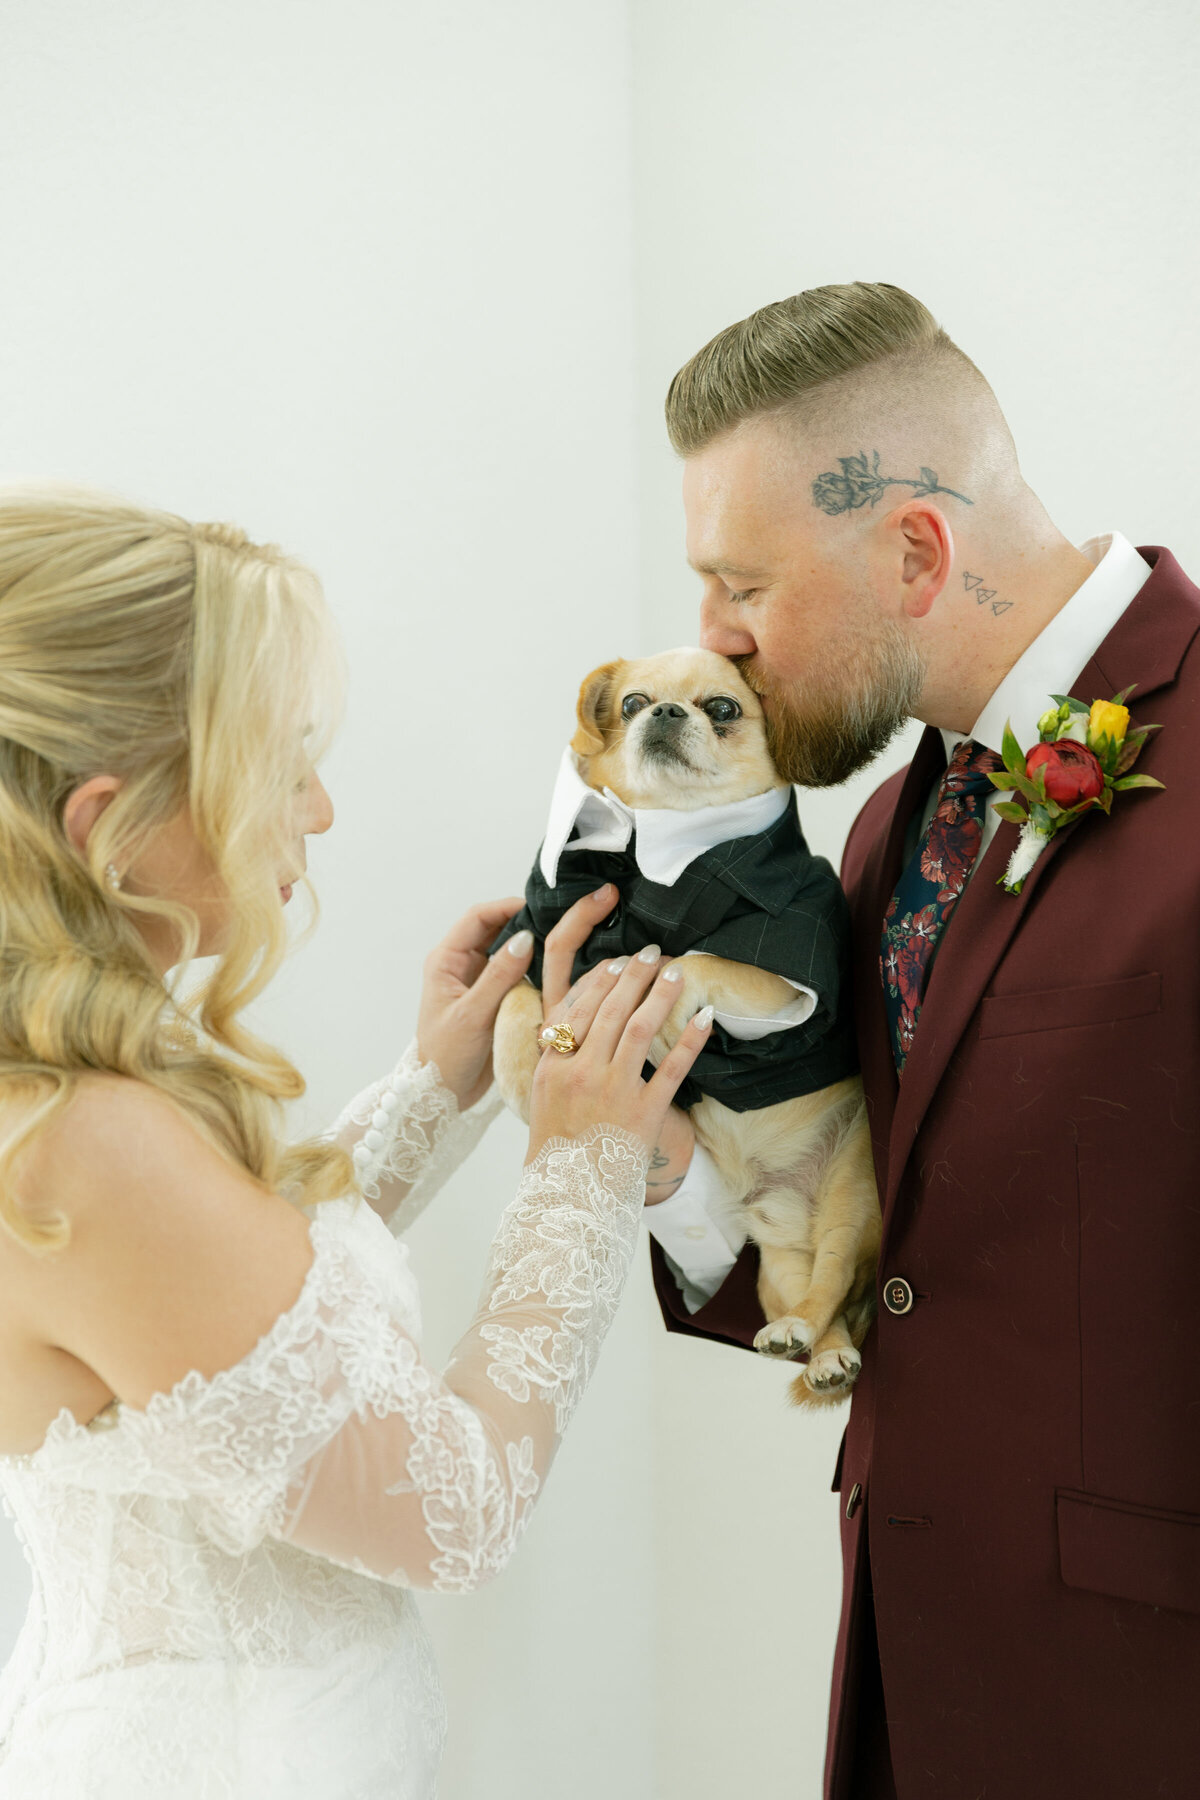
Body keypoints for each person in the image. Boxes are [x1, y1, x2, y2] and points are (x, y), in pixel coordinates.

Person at [0, 487, 713, 1799]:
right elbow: (453, 1510)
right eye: (279, 764)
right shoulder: (87, 1146)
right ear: (108, 829)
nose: (318, 810)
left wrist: (436, 1087)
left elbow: (233, 1322)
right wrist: (582, 1166)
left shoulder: (52, 1102)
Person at [640, 282, 1200, 1799]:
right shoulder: (893, 819)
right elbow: (895, 1240)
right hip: (914, 1687)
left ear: (914, 552)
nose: (715, 639)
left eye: (741, 583)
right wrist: (660, 1157)